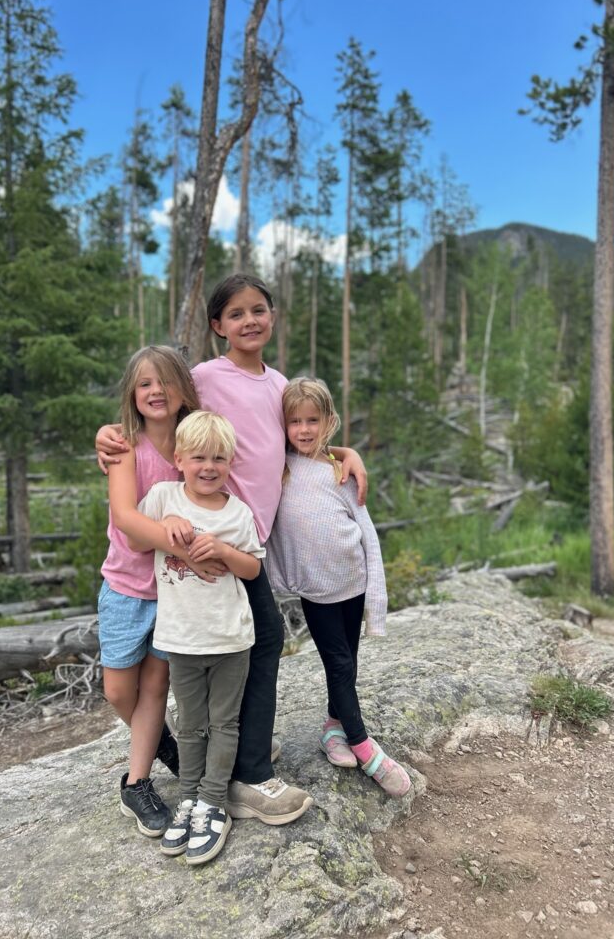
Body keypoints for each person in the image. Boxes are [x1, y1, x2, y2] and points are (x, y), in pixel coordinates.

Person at [96, 273, 369, 825]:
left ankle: (237, 754)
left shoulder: (279, 384)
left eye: (258, 310)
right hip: (207, 542)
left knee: (242, 647)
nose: (249, 321)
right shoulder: (203, 377)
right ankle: (245, 771)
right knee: (253, 642)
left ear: (273, 316)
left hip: (244, 542)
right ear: (217, 325)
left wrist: (343, 451)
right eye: (236, 313)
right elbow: (161, 412)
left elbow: (294, 437)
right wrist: (109, 434)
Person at [266, 377, 411, 797]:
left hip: (354, 581)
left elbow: (368, 534)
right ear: (283, 425)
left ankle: (334, 727)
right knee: (339, 664)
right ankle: (365, 748)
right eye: (295, 421)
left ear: (329, 421)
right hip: (317, 591)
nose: (304, 429)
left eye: (312, 420)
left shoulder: (340, 471)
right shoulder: (279, 470)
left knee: (350, 658)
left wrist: (376, 602)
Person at [131, 410, 264, 865]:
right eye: (199, 458)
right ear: (180, 460)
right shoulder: (162, 497)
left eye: (219, 459)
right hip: (181, 639)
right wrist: (166, 527)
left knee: (224, 723)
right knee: (190, 724)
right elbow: (136, 540)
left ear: (230, 462)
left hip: (230, 638)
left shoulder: (238, 512)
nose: (209, 467)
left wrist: (224, 550)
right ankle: (188, 797)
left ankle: (213, 803)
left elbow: (253, 568)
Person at [98, 344, 209, 839]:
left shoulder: (192, 450)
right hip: (125, 589)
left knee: (156, 688)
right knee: (119, 690)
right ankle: (163, 744)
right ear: (131, 393)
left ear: (185, 389)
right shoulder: (125, 447)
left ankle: (136, 782)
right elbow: (126, 519)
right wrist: (177, 540)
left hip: (173, 592)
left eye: (165, 382)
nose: (156, 391)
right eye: (145, 383)